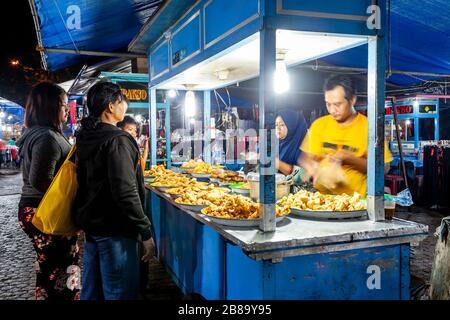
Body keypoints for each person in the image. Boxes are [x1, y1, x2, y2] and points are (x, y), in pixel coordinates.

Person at [72, 82, 153, 300]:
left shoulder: (87, 136)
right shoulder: (118, 140)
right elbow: (125, 192)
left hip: (93, 227)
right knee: (118, 293)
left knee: (94, 292)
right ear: (110, 106)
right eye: (121, 101)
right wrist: (145, 231)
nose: (125, 105)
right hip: (116, 229)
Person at [16, 82, 79, 300]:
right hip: (45, 209)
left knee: (50, 267)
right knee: (59, 269)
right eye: (63, 105)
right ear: (50, 107)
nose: (66, 109)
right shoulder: (47, 137)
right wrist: (68, 196)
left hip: (36, 208)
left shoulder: (38, 133)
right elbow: (40, 179)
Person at [300, 74, 393, 197]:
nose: (332, 110)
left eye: (337, 104)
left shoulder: (370, 128)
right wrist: (312, 168)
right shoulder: (319, 125)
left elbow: (384, 168)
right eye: (328, 104)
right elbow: (306, 158)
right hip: (321, 200)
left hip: (355, 203)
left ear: (352, 100)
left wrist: (348, 158)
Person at [275, 109, 308, 176]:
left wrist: (276, 163)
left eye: (282, 125)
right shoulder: (277, 143)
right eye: (276, 125)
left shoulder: (304, 145)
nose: (278, 128)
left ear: (292, 126)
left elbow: (302, 175)